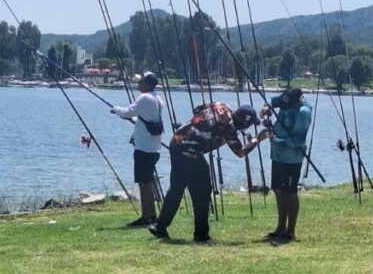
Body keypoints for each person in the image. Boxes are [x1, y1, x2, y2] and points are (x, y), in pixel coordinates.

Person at [150, 102, 270, 243]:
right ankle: (201, 235)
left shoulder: (220, 105)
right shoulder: (228, 127)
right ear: (244, 123)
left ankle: (160, 226)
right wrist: (257, 139)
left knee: (176, 188)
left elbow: (198, 109)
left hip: (177, 142)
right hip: (191, 151)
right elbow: (240, 152)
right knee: (203, 192)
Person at [111, 71, 165, 228]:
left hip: (143, 148)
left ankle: (147, 216)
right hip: (154, 148)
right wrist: (127, 116)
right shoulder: (157, 99)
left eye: (141, 82)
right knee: (146, 181)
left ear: (147, 83)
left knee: (144, 183)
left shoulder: (145, 98)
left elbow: (129, 111)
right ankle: (151, 216)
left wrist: (116, 109)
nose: (138, 84)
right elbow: (143, 118)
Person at [261, 86, 312, 243]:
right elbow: (272, 101)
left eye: (286, 106)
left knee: (290, 192)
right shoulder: (285, 99)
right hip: (277, 156)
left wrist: (276, 140)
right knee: (278, 190)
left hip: (291, 158)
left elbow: (298, 141)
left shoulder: (303, 113)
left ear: (296, 102)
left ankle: (291, 231)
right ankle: (280, 227)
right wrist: (265, 108)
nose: (282, 107)